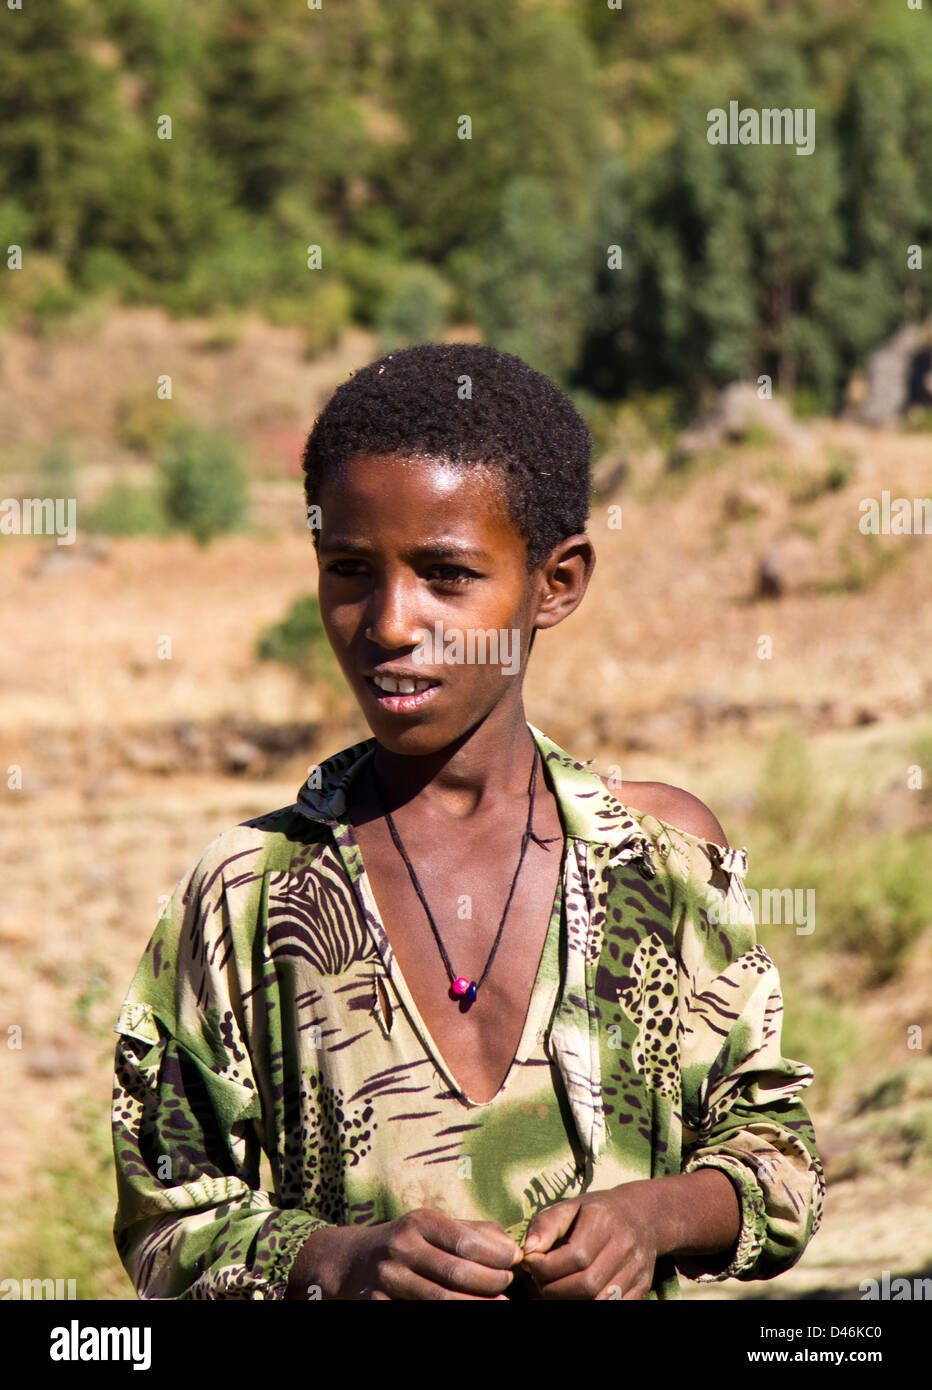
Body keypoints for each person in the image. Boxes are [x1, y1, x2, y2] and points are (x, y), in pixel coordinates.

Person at [111, 342, 824, 1300]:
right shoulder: (247, 893)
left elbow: (779, 1163)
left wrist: (648, 1221)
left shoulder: (660, 863)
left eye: (446, 575)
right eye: (350, 569)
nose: (392, 621)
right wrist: (332, 1261)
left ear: (555, 584)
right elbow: (166, 1224)